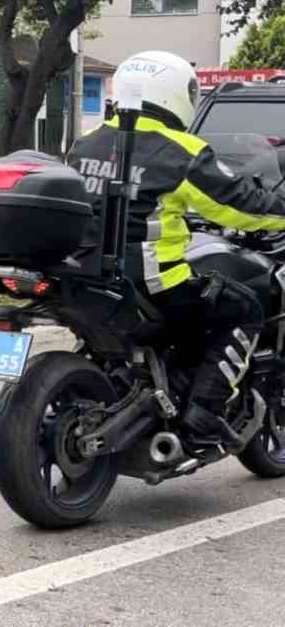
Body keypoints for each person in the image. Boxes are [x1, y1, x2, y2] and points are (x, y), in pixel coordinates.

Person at [68, 49, 285, 448]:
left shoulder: (86, 143)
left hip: (82, 274)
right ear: (173, 93)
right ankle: (204, 414)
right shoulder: (180, 150)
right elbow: (238, 205)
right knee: (243, 310)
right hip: (151, 282)